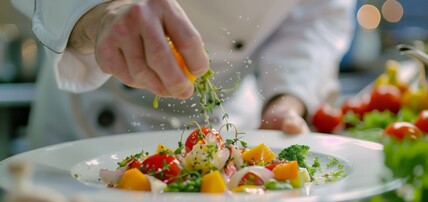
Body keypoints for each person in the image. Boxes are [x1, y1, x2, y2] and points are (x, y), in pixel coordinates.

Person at [12, 0, 355, 149]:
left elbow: (316, 16)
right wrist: (98, 14)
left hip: (231, 120)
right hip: (88, 121)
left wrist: (287, 99)